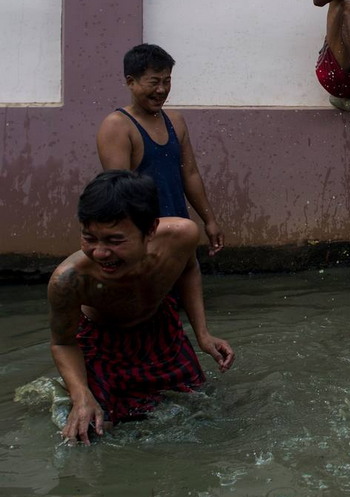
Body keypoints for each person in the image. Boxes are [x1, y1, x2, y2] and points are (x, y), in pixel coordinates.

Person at [47, 170, 235, 445]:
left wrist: (203, 334)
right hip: (102, 343)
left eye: (114, 241)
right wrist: (80, 394)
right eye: (89, 238)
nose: (99, 253)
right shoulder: (69, 279)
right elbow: (62, 343)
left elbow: (189, 268)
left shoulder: (182, 235)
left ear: (149, 231)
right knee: (94, 432)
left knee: (200, 404)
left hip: (160, 328)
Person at [97, 44, 225, 256]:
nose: (161, 90)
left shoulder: (176, 121)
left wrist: (209, 220)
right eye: (154, 82)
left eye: (167, 81)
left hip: (180, 231)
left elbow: (190, 174)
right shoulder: (117, 126)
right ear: (131, 82)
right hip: (144, 239)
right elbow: (120, 194)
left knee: (187, 285)